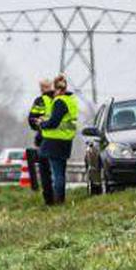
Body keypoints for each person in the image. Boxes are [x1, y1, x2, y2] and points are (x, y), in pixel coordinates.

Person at [33, 74, 81, 205]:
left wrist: (42, 123)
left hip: (54, 142)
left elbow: (54, 122)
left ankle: (58, 201)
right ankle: (60, 199)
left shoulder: (60, 101)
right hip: (65, 141)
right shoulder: (71, 100)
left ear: (56, 88)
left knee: (56, 174)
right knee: (60, 172)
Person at [25, 77, 52, 196]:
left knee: (44, 168)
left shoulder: (40, 101)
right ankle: (58, 194)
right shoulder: (62, 99)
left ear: (41, 88)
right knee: (57, 168)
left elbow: (31, 120)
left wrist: (39, 124)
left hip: (44, 139)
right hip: (62, 139)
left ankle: (46, 195)